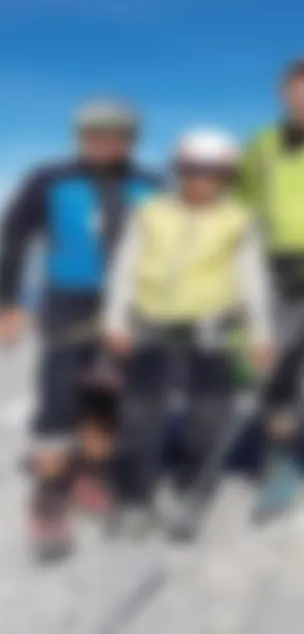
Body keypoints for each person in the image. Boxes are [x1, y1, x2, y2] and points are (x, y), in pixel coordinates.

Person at [0, 97, 161, 563]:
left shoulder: (151, 186)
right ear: (82, 136)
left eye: (116, 134)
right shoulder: (51, 181)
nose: (104, 142)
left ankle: (90, 474)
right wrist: (6, 301)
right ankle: (49, 495)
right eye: (95, 133)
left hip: (131, 310)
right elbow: (14, 236)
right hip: (68, 305)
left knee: (107, 397)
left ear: (130, 140)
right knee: (59, 401)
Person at [101, 126, 275, 536]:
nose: (202, 180)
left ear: (228, 176)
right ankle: (134, 496)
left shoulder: (238, 220)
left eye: (215, 172)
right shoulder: (150, 212)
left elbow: (252, 280)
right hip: (151, 325)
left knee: (209, 414)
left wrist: (260, 335)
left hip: (211, 329)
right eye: (193, 169)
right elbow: (125, 268)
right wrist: (115, 320)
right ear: (178, 170)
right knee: (140, 414)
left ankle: (193, 484)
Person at [238, 58, 304, 522]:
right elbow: (239, 209)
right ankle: (281, 460)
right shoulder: (262, 146)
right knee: (277, 370)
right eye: (296, 92)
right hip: (279, 273)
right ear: (284, 95)